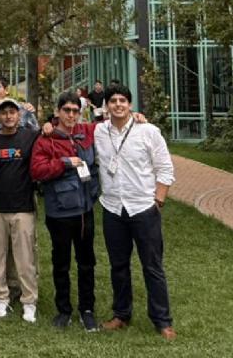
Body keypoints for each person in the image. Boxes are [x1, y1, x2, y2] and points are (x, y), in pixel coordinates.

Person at [94, 83, 176, 341]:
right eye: (113, 101)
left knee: (152, 266)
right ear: (106, 106)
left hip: (143, 208)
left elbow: (165, 168)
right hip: (112, 208)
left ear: (130, 105)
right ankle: (121, 314)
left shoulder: (148, 131)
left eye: (123, 100)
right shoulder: (98, 132)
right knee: (118, 266)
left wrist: (158, 200)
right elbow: (69, 128)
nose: (118, 104)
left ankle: (162, 320)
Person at [31, 92, 100, 331]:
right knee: (61, 263)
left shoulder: (87, 132)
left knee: (86, 262)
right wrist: (63, 163)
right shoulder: (46, 139)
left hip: (85, 211)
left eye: (75, 110)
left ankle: (87, 309)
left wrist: (138, 116)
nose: (71, 115)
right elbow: (37, 171)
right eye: (66, 110)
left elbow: (112, 122)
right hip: (59, 212)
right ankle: (64, 310)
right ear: (58, 112)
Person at [0, 98, 40, 323]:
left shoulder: (30, 137)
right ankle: (1, 296)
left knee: (25, 258)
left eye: (12, 112)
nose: (8, 116)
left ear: (19, 115)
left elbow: (50, 136)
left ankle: (29, 300)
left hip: (23, 207)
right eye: (3, 113)